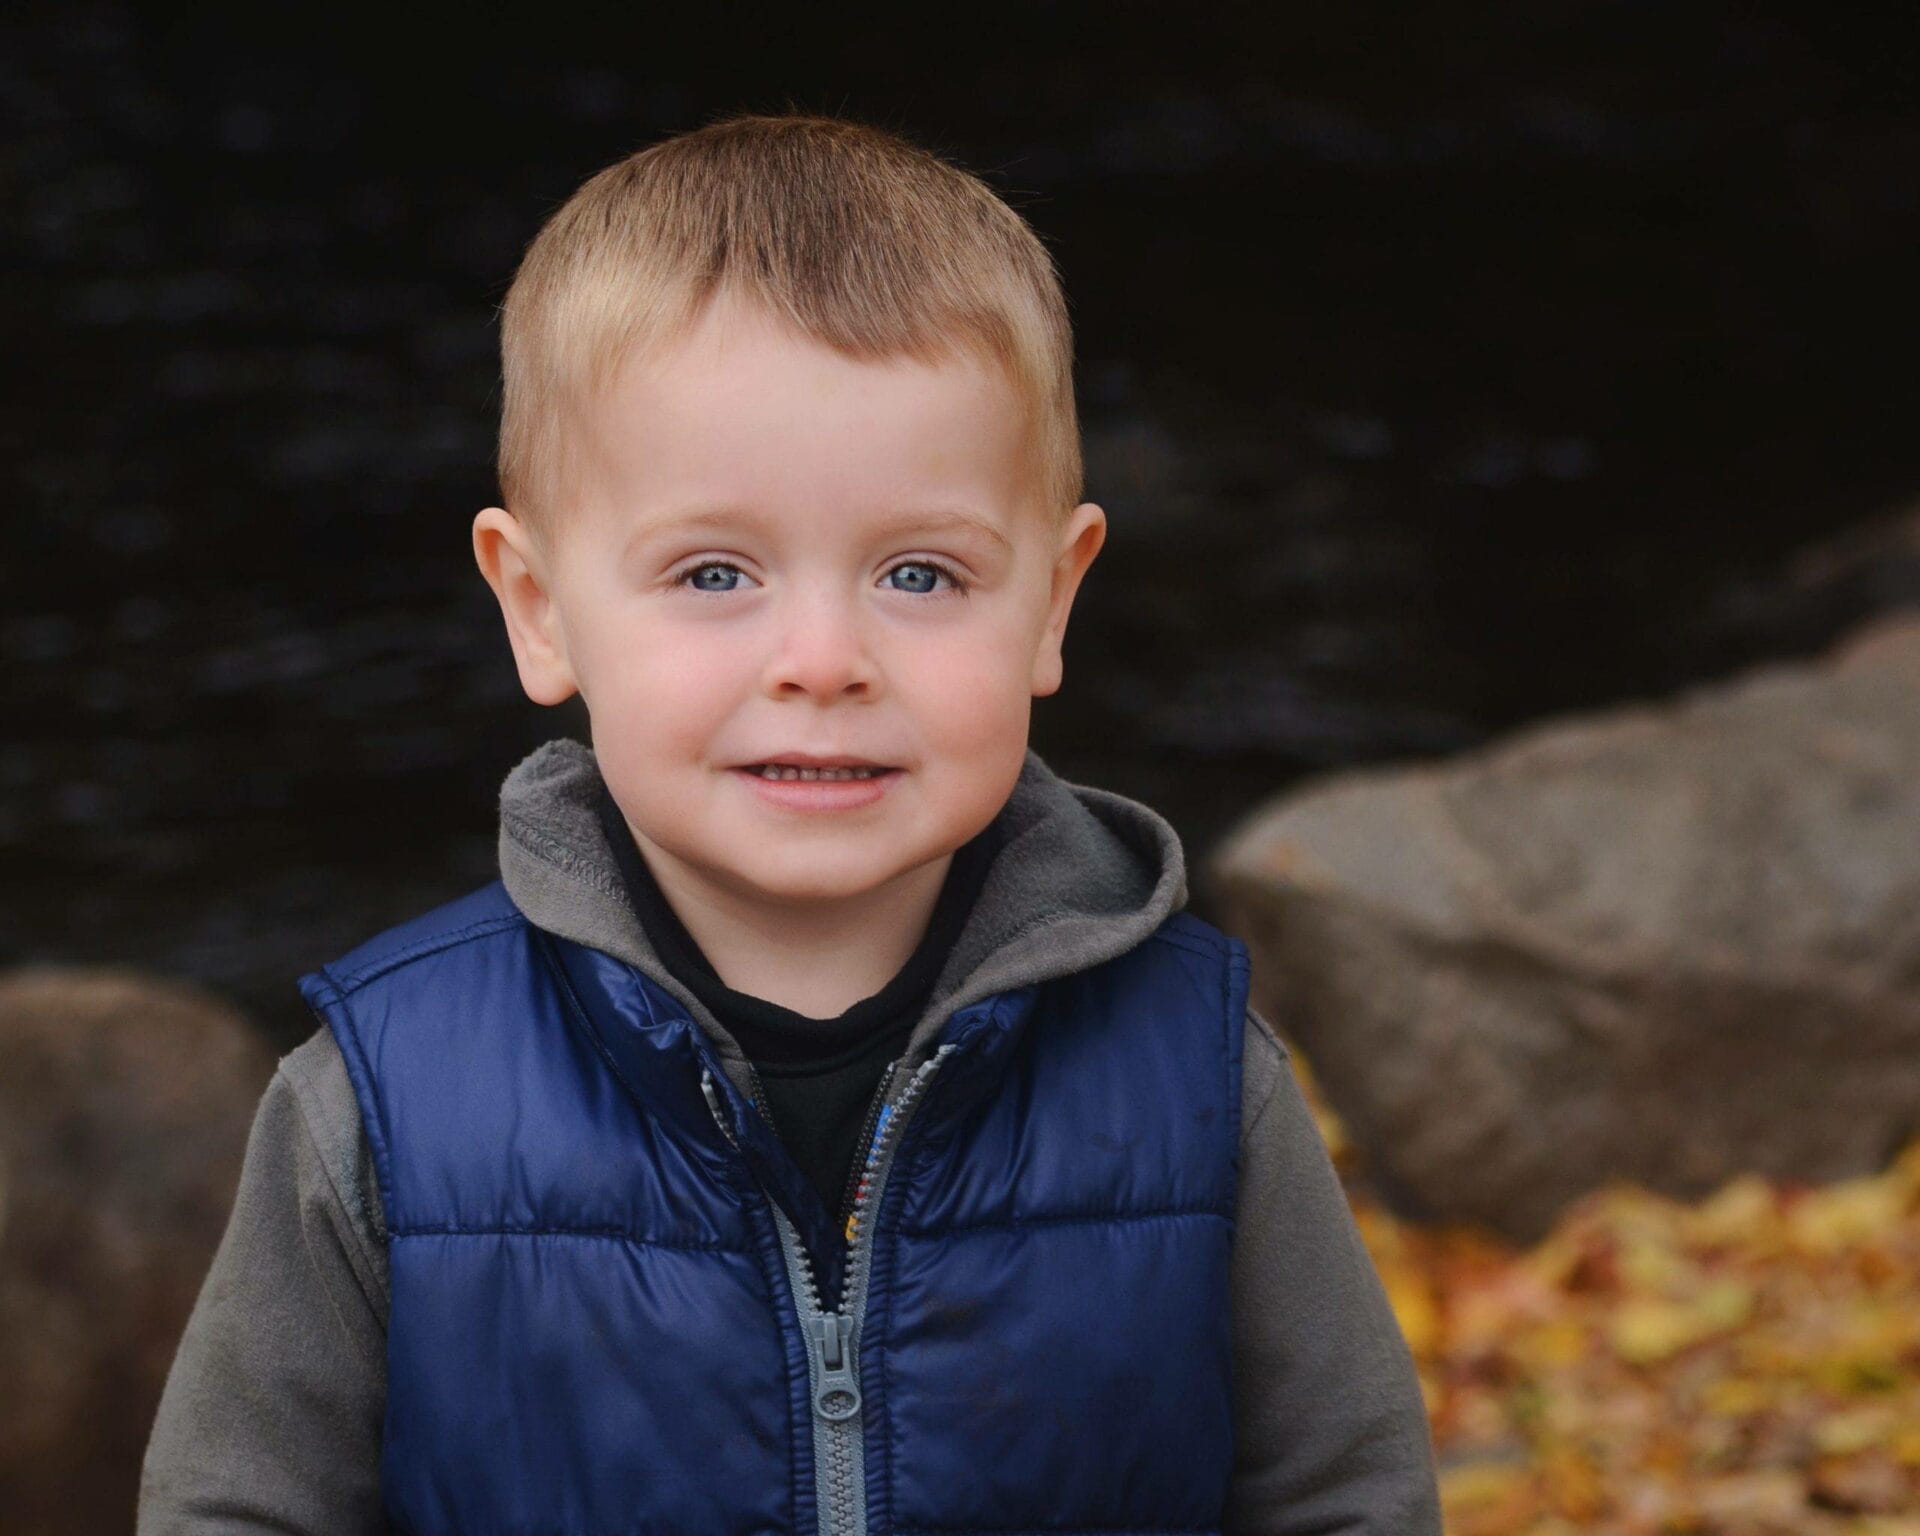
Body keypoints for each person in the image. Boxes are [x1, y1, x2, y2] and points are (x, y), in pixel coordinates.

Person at [138, 110, 1441, 1534]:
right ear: (538, 607)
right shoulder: (381, 1106)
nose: (823, 659)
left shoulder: (1198, 1078)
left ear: (1053, 602)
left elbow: (1347, 1499)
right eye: (713, 575)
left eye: (923, 575)